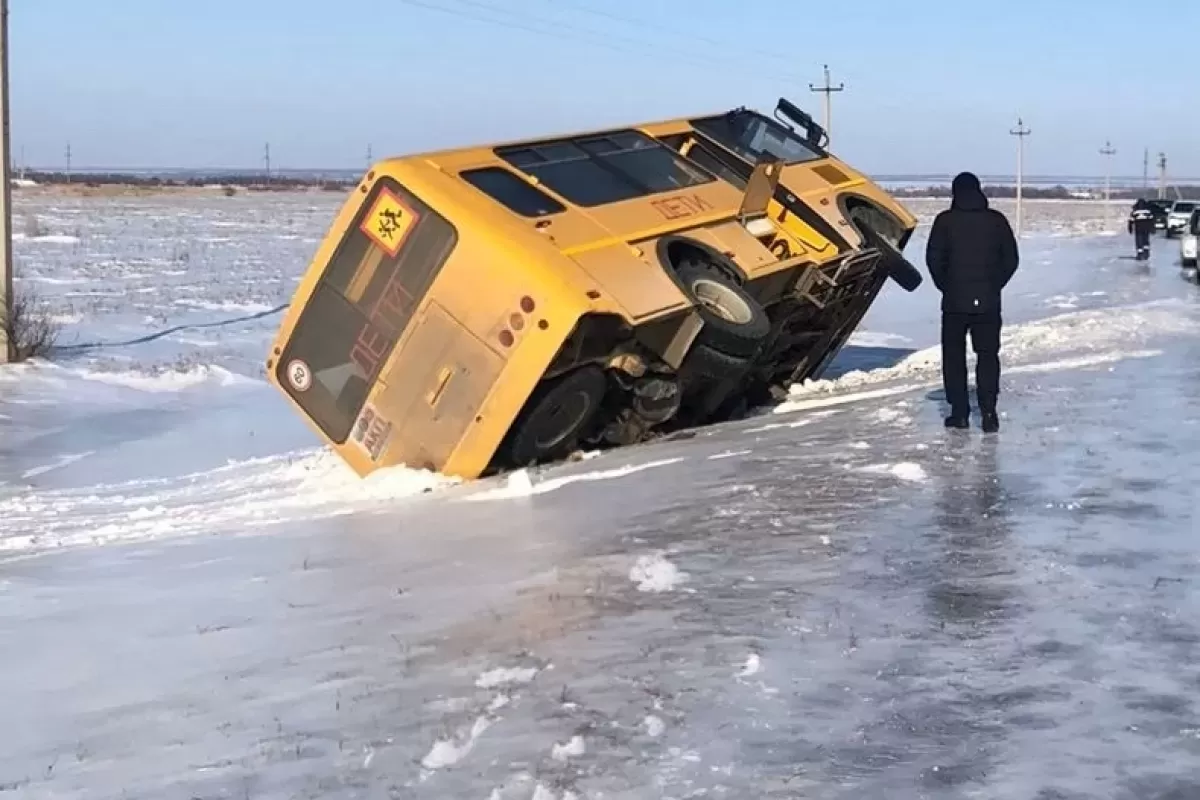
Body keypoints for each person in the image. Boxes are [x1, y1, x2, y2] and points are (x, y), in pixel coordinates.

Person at [925, 171, 1020, 433]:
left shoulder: (944, 221)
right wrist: (994, 285)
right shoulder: (996, 221)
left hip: (954, 303)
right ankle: (989, 413)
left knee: (954, 357)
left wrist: (947, 286)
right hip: (989, 303)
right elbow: (1011, 259)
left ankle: (960, 413)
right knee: (988, 355)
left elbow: (934, 259)